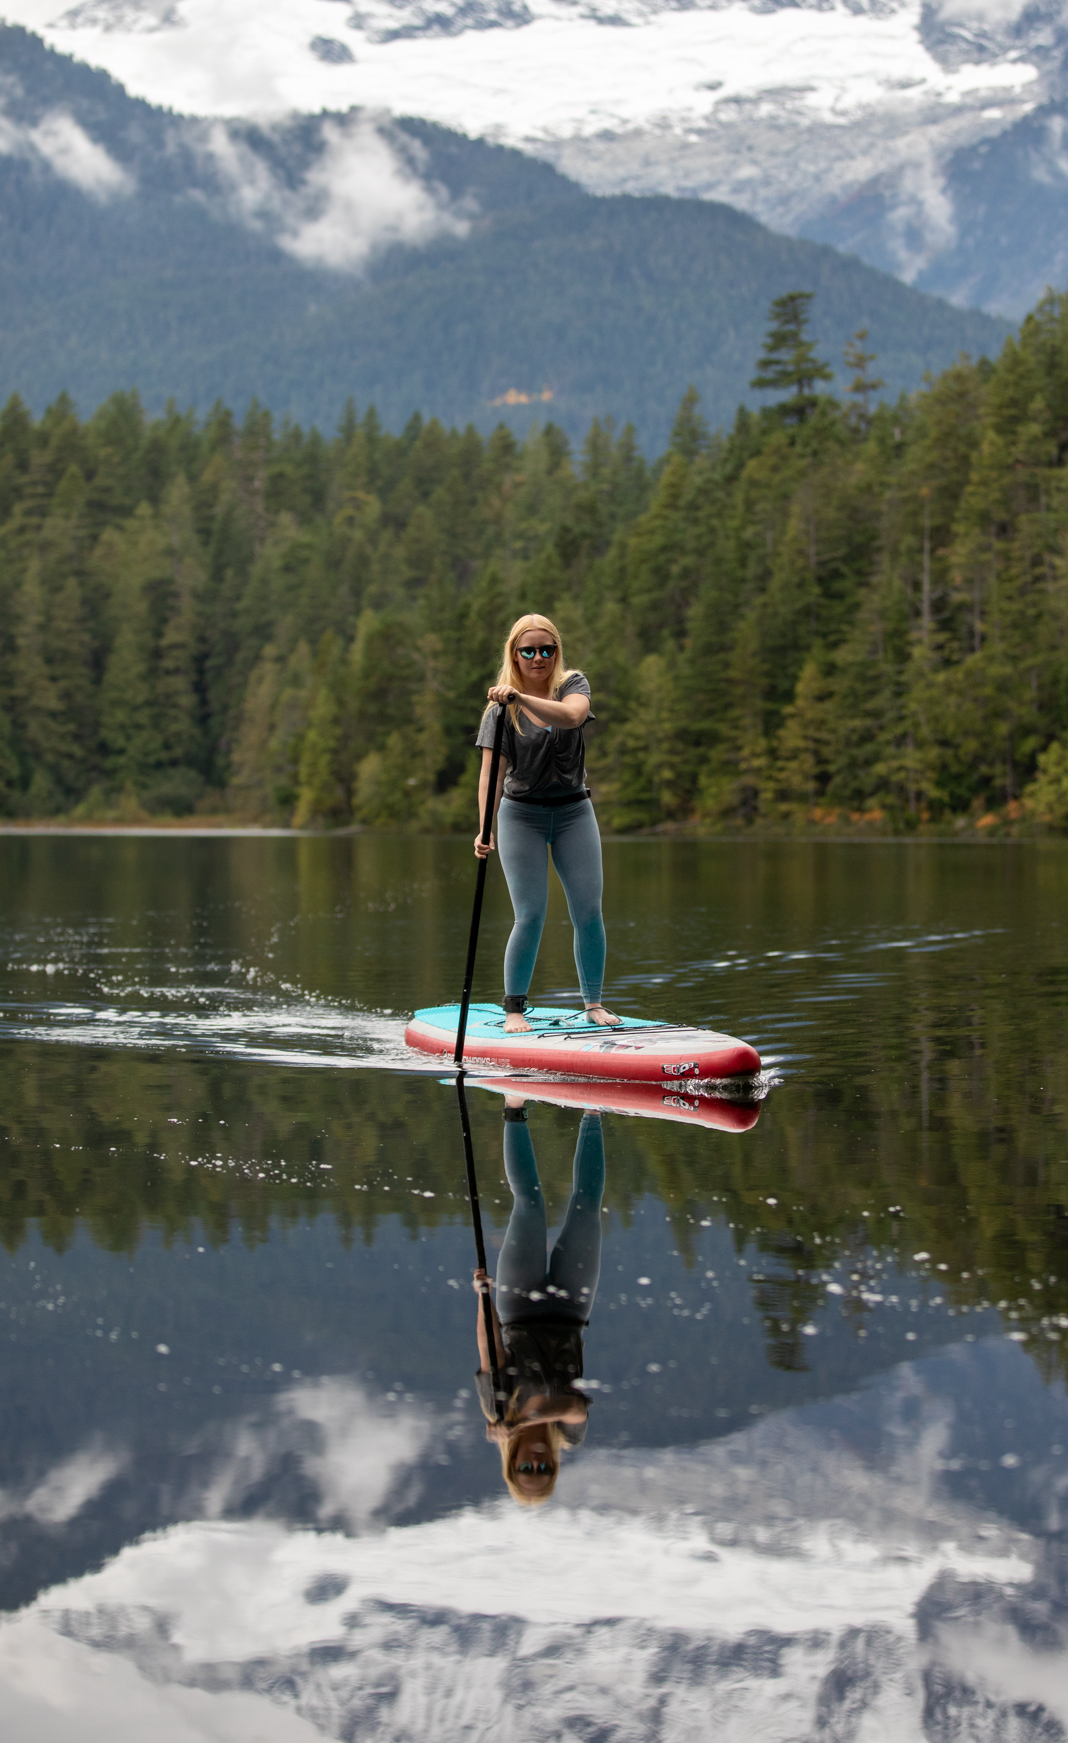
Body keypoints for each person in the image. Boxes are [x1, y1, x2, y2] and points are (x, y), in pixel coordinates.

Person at [476, 612, 621, 1034]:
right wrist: (484, 828)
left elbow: (572, 717)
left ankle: (593, 1004)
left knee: (588, 911)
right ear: (515, 655)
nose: (538, 657)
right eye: (529, 651)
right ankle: (514, 1009)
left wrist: (518, 698)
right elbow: (491, 775)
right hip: (521, 816)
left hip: (575, 812)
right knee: (530, 914)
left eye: (547, 649)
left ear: (557, 652)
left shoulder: (572, 685)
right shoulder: (498, 713)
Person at [474, 1100, 604, 1505]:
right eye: (543, 1470)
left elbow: (489, 1350)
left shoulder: (498, 1412)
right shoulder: (569, 1436)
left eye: (526, 1468)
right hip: (571, 1312)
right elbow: (575, 1408)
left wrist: (484, 1298)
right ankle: (593, 1111)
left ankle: (514, 1108)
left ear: (511, 1463)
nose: (536, 1462)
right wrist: (529, 1418)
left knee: (529, 1205)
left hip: (518, 1305)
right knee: (586, 1208)